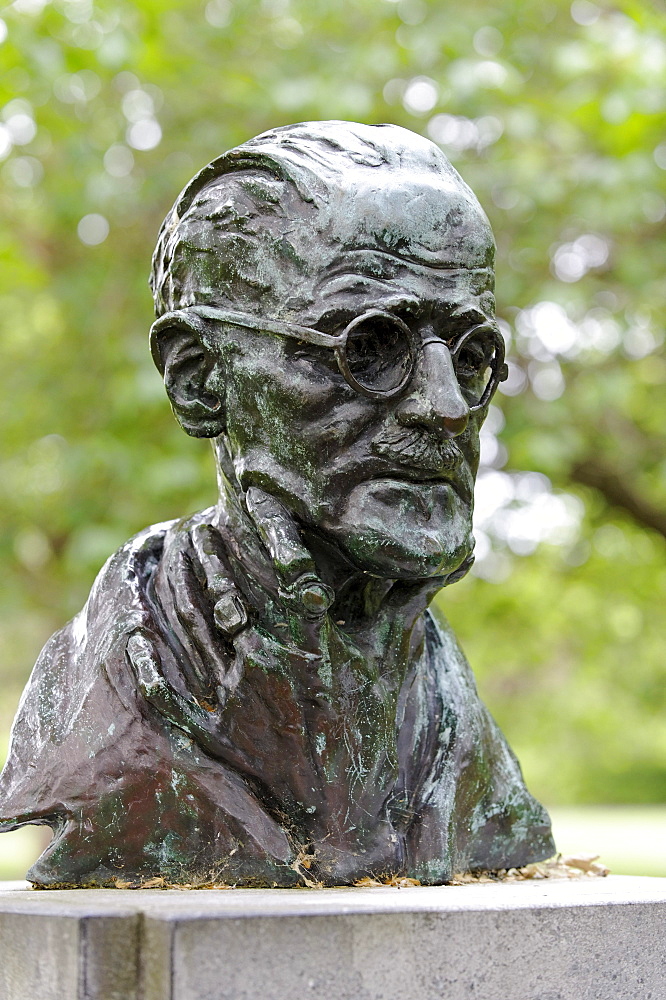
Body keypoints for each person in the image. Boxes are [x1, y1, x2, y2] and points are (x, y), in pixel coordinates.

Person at [0, 122, 554, 887]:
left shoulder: (449, 707)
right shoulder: (115, 687)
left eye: (470, 356)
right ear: (201, 379)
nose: (445, 406)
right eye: (372, 346)